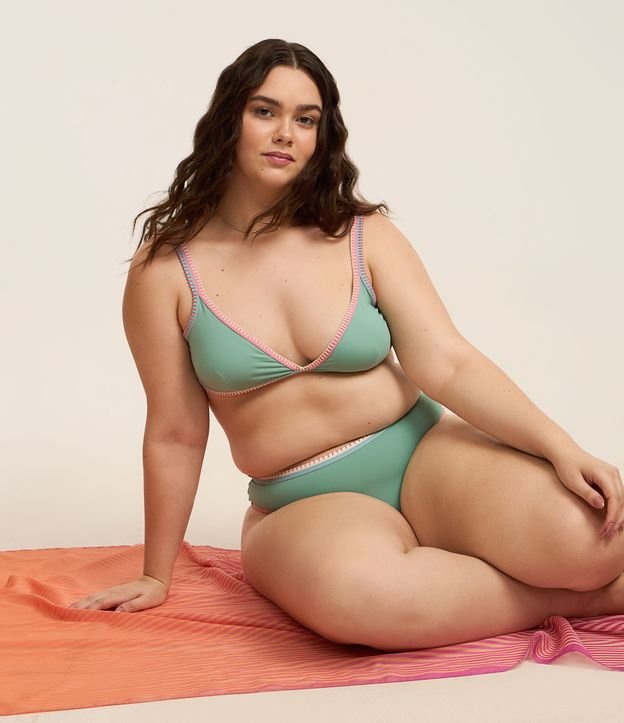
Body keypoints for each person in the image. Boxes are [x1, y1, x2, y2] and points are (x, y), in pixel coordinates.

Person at [69, 39, 624, 651]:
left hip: (425, 458)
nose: (286, 133)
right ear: (228, 118)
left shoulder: (360, 232)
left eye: (306, 119)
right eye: (265, 111)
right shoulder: (166, 270)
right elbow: (175, 432)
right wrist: (157, 573)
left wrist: (559, 447)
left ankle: (491, 581)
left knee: (593, 538)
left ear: (322, 135)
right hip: (304, 502)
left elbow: (447, 361)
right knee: (368, 598)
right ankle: (585, 600)